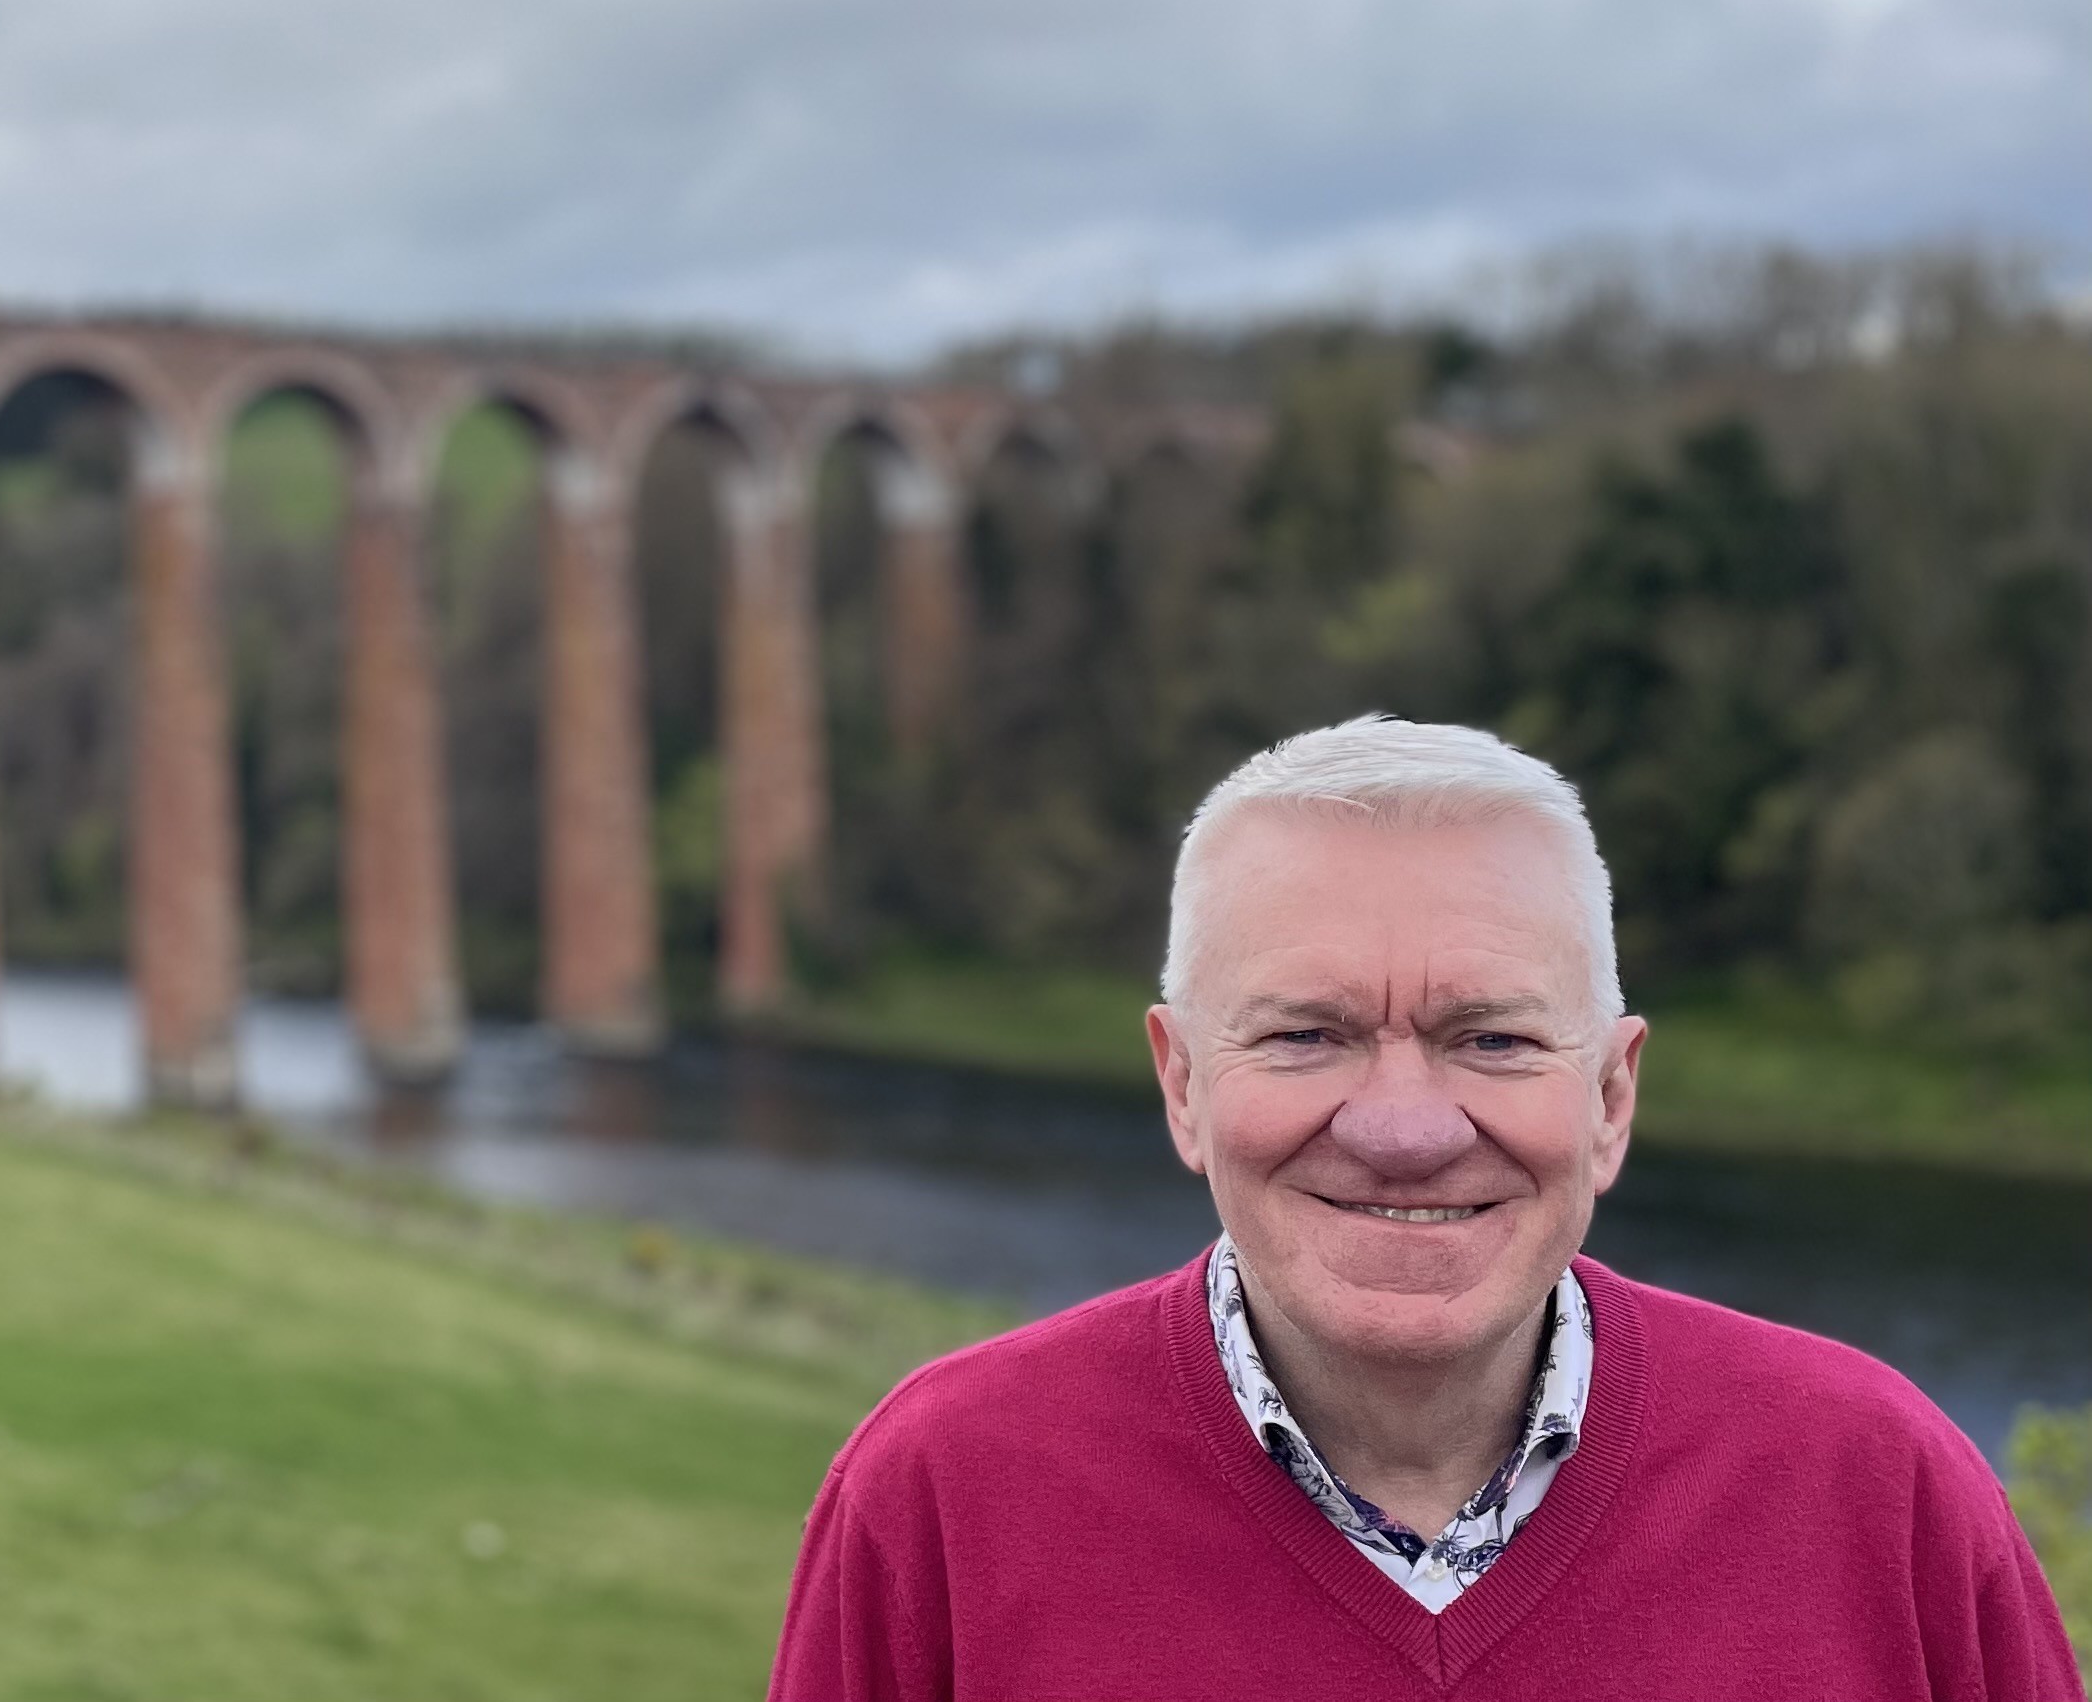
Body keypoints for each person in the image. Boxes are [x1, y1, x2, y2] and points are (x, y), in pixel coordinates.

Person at [767, 716, 2083, 1701]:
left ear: (1612, 1095)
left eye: (1493, 1038)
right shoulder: (939, 1495)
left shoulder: (1880, 1492)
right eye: (1305, 1034)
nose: (1403, 1127)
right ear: (1180, 1081)